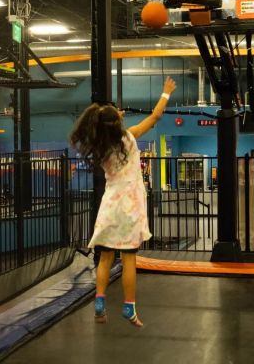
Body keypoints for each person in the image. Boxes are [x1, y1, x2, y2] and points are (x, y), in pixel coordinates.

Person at [69, 76, 176, 327]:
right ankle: (129, 306)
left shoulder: (100, 145)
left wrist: (114, 117)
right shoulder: (130, 137)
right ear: (116, 123)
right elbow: (155, 118)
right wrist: (166, 93)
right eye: (117, 113)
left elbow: (110, 124)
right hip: (130, 207)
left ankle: (99, 301)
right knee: (129, 259)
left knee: (105, 257)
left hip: (110, 205)